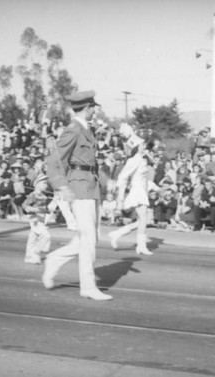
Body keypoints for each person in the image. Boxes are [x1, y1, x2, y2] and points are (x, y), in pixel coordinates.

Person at [43, 90, 112, 301]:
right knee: (88, 239)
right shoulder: (73, 130)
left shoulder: (87, 129)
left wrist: (108, 183)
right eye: (93, 107)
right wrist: (61, 186)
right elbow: (54, 159)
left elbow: (90, 163)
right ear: (87, 108)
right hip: (79, 187)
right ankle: (88, 286)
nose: (95, 110)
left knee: (90, 237)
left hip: (90, 187)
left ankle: (54, 258)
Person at [108, 123, 154, 255]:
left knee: (141, 221)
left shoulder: (142, 159)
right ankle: (141, 246)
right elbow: (122, 177)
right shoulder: (134, 160)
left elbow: (144, 179)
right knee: (144, 218)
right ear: (138, 146)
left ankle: (117, 234)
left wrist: (152, 187)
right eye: (142, 145)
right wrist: (120, 197)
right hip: (137, 192)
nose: (145, 147)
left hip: (142, 190)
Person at [22, 175, 51, 264]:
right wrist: (32, 210)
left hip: (41, 219)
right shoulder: (33, 195)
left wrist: (47, 210)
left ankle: (29, 256)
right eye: (44, 183)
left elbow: (43, 208)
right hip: (35, 219)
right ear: (37, 184)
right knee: (46, 236)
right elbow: (25, 205)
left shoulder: (43, 196)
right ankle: (36, 251)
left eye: (46, 183)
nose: (46, 185)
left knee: (32, 238)